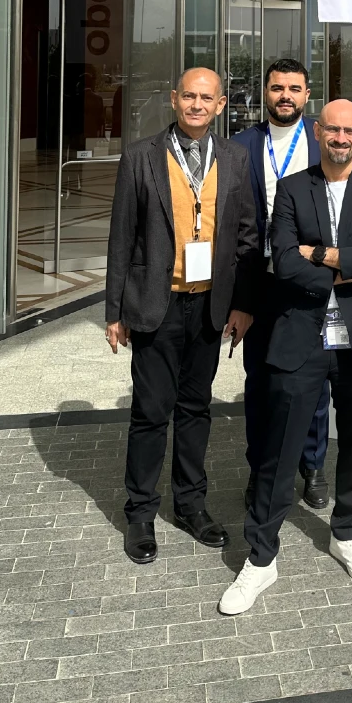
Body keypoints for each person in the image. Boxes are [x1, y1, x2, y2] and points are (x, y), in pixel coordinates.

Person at [219, 100, 352, 614]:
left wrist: (316, 252)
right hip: (302, 334)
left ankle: (346, 533)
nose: (341, 138)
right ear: (318, 132)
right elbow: (283, 261)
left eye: (350, 130)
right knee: (280, 449)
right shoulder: (294, 189)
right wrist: (346, 262)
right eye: (333, 129)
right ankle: (261, 556)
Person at [105, 68, 259, 565]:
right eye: (188, 96)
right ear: (174, 99)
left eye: (206, 98)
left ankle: (191, 504)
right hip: (157, 303)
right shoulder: (141, 156)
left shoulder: (235, 158)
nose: (196, 104)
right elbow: (121, 238)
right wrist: (114, 311)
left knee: (196, 409)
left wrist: (244, 303)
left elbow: (247, 238)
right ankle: (141, 513)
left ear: (220, 105)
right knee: (150, 413)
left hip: (210, 305)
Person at [233, 59, 330, 511]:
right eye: (277, 88)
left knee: (314, 381)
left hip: (310, 280)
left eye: (294, 88)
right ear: (265, 92)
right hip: (259, 282)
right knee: (261, 381)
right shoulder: (240, 146)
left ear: (307, 95)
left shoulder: (324, 140)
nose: (285, 95)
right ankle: (263, 468)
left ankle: (312, 464)